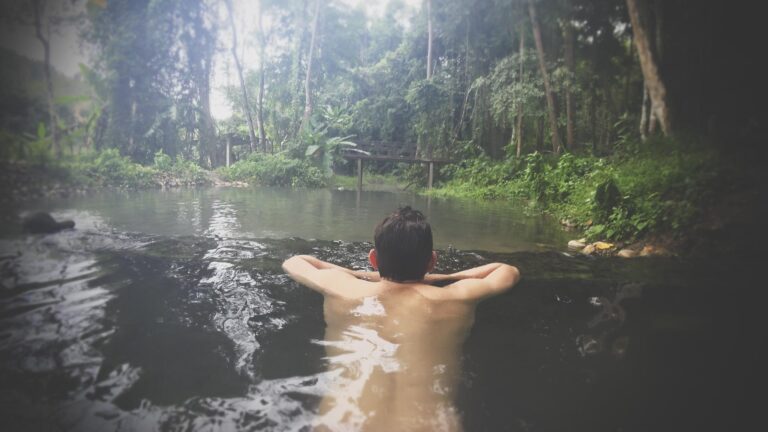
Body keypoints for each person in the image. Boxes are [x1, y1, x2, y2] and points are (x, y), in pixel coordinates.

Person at [282, 206, 520, 431]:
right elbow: (507, 271)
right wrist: (442, 277)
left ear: (374, 259)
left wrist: (359, 274)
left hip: (344, 423)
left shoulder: (343, 288)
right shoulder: (454, 298)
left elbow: (295, 261)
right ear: (431, 261)